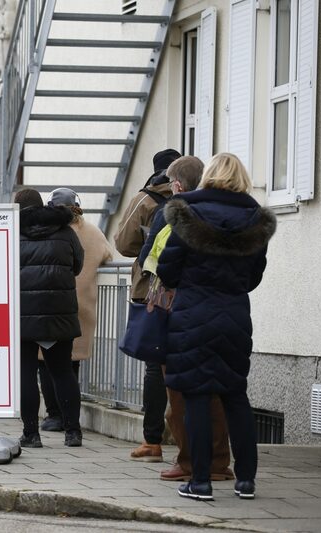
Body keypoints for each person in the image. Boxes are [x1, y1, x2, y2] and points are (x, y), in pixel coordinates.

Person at [156, 153, 275, 501]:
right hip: (235, 315)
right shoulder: (254, 219)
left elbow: (167, 270)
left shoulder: (186, 212)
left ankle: (200, 482)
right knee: (235, 395)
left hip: (192, 315)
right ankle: (246, 481)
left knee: (196, 396)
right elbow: (254, 277)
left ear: (209, 175)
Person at [137, 156, 235, 483]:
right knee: (216, 392)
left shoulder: (176, 214)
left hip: (180, 312)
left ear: (177, 185)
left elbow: (154, 262)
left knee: (180, 391)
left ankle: (189, 461)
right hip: (224, 314)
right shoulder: (224, 215)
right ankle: (219, 462)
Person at [114, 148, 181, 463]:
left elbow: (123, 243)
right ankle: (186, 436)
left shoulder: (145, 199)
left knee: (155, 363)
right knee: (185, 361)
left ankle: (152, 441)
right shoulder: (194, 197)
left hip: (151, 289)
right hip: (187, 291)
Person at [38, 188, 112, 432]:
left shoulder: (45, 230)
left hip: (48, 305)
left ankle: (54, 415)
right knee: (70, 366)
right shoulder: (93, 232)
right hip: (81, 308)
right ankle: (70, 417)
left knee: (45, 363)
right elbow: (109, 255)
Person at [16, 187, 84, 448]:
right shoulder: (65, 231)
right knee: (63, 371)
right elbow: (77, 265)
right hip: (59, 312)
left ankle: (31, 434)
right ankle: (73, 432)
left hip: (23, 314)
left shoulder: (12, 232)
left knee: (26, 374)